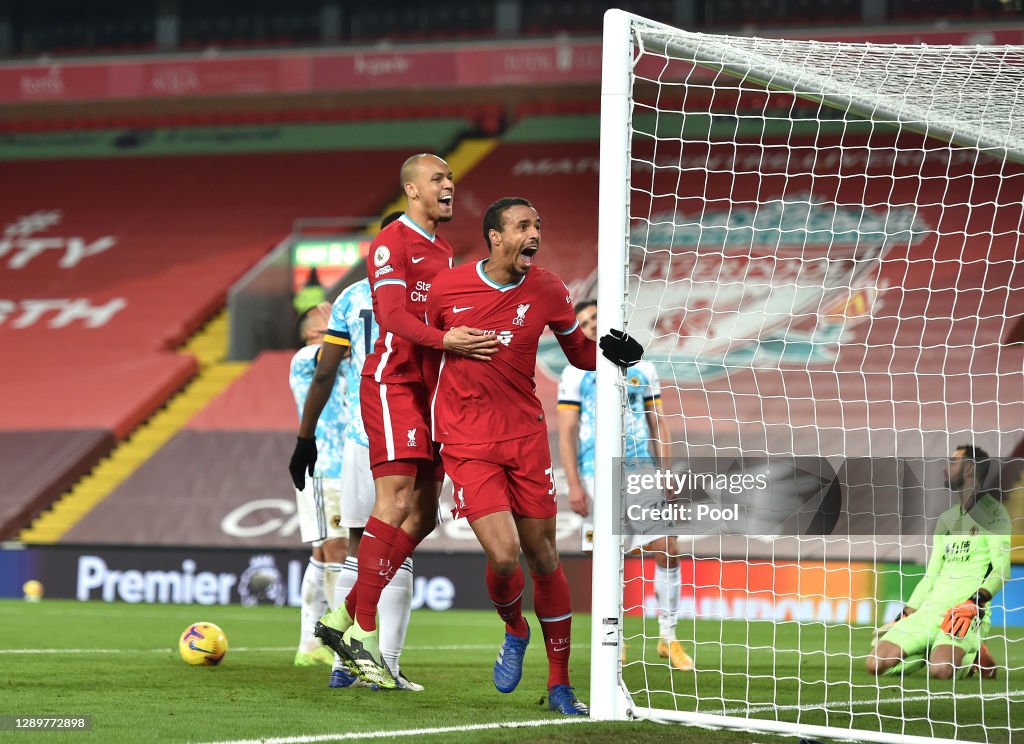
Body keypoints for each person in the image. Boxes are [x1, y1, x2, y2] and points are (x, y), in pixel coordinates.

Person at [425, 197, 643, 716]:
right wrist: (440, 340)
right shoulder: (447, 287)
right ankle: (515, 627)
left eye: (538, 225)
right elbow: (418, 341)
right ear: (495, 236)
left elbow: (580, 355)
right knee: (503, 556)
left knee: (544, 557)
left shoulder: (547, 288)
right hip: (468, 440)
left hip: (524, 437)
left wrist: (617, 351)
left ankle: (561, 684)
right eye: (523, 226)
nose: (534, 233)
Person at [289, 154, 498, 689]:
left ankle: (340, 620)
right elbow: (392, 317)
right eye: (438, 179)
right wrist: (447, 339)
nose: (449, 185)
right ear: (411, 189)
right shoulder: (392, 243)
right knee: (396, 503)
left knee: (424, 515)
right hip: (392, 384)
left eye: (451, 178)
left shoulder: (443, 249)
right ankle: (358, 632)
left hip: (430, 390)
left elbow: (434, 314)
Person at [311, 211, 422, 691]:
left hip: (361, 432)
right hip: (409, 425)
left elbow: (326, 370)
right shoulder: (429, 290)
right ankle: (386, 667)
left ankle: (343, 665)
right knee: (402, 540)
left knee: (361, 544)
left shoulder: (351, 297)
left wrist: (305, 435)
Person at [557, 299, 694, 672]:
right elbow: (566, 431)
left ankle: (669, 636)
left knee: (667, 544)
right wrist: (573, 483)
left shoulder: (643, 368)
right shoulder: (575, 372)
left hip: (641, 469)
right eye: (582, 322)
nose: (589, 325)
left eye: (594, 318)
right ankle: (613, 638)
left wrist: (665, 470)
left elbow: (657, 423)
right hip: (594, 472)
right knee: (603, 555)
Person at [866, 445, 1009, 680]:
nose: (945, 468)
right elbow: (930, 576)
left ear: (970, 469)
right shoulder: (947, 519)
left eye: (952, 463)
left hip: (963, 613)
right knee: (876, 664)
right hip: (929, 612)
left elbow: (1001, 571)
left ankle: (969, 657)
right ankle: (930, 651)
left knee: (941, 671)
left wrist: (975, 602)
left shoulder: (994, 515)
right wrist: (905, 615)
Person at [288, 302, 349, 668]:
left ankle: (310, 645)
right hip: (326, 468)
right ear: (313, 332)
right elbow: (343, 348)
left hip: (339, 468)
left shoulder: (337, 357)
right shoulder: (306, 358)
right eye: (329, 321)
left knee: (323, 554)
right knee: (337, 551)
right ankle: (339, 644)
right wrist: (341, 326)